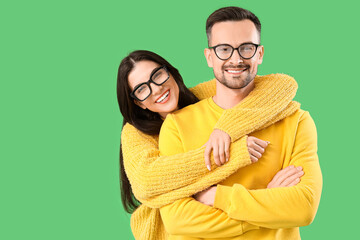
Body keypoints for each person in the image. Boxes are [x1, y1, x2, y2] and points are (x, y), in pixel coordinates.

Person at [158, 6, 322, 240]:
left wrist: (217, 197)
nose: (236, 59)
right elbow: (177, 220)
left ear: (260, 53)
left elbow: (304, 206)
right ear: (209, 57)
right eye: (224, 49)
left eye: (246, 48)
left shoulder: (296, 121)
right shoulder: (177, 125)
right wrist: (268, 206)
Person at [117, 50, 302, 240]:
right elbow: (147, 181)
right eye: (141, 89)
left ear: (171, 72)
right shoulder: (135, 132)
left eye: (157, 75)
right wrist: (228, 154)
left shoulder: (203, 96)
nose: (156, 89)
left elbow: (282, 85)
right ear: (138, 103)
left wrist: (226, 129)